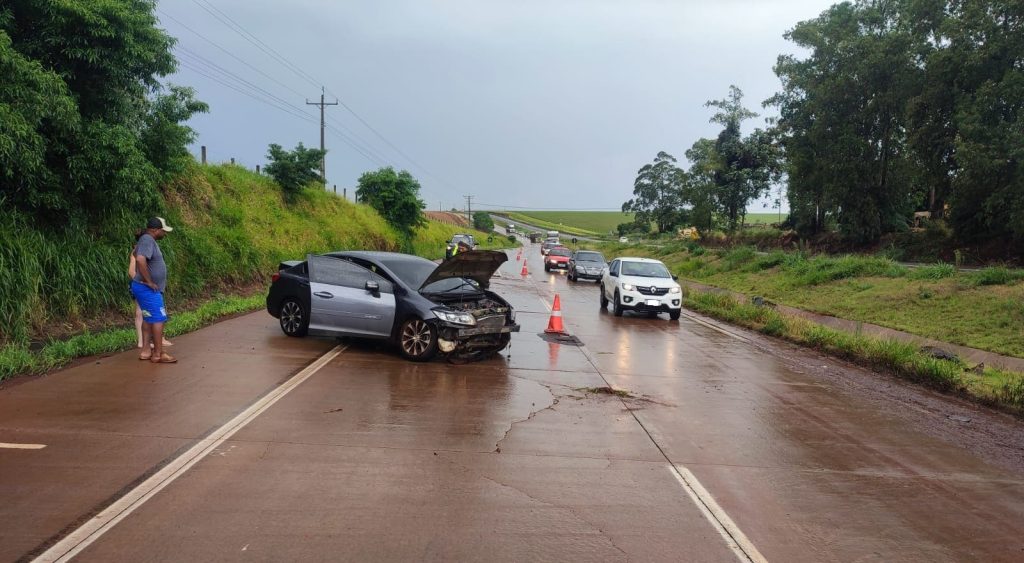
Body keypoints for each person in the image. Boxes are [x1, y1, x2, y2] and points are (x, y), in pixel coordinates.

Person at [131, 217, 176, 364]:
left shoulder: (145, 240)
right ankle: (158, 353)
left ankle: (145, 351)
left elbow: (135, 255)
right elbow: (140, 259)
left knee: (148, 317)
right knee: (158, 318)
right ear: (155, 230)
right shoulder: (147, 240)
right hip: (147, 289)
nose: (165, 233)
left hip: (142, 288)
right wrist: (149, 281)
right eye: (163, 230)